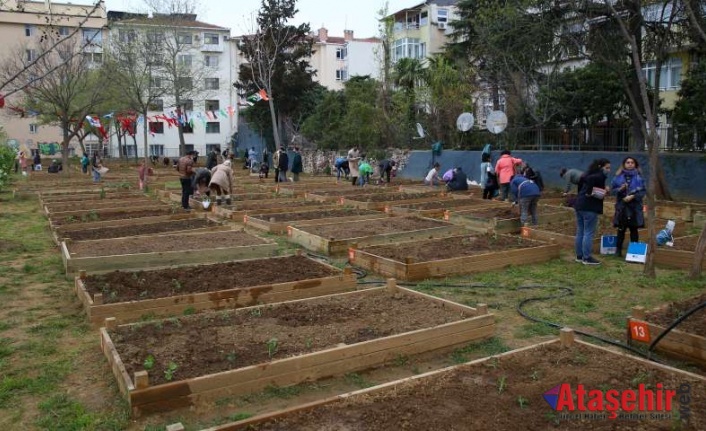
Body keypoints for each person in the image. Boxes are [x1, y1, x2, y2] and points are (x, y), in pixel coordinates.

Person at [574, 158, 611, 265]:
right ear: (600, 167)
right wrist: (605, 191)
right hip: (590, 207)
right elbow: (591, 192)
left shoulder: (586, 175)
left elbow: (582, 188)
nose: (609, 170)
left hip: (579, 205)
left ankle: (579, 256)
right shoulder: (599, 176)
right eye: (607, 167)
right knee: (588, 232)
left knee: (580, 231)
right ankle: (587, 257)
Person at [611, 156, 646, 257]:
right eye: (627, 162)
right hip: (622, 206)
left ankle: (634, 253)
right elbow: (612, 191)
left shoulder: (639, 177)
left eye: (632, 162)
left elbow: (643, 191)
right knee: (621, 229)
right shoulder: (617, 177)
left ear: (635, 165)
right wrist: (620, 189)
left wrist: (633, 196)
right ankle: (618, 251)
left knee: (634, 230)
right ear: (624, 164)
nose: (630, 164)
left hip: (634, 207)